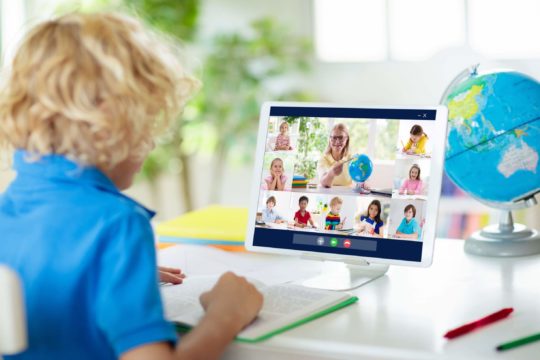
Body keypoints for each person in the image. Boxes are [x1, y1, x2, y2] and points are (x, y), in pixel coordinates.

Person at [0, 12, 263, 360]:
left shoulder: (11, 205)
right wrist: (225, 315)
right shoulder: (117, 225)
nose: (151, 143)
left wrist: (110, 274)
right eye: (147, 124)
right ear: (108, 122)